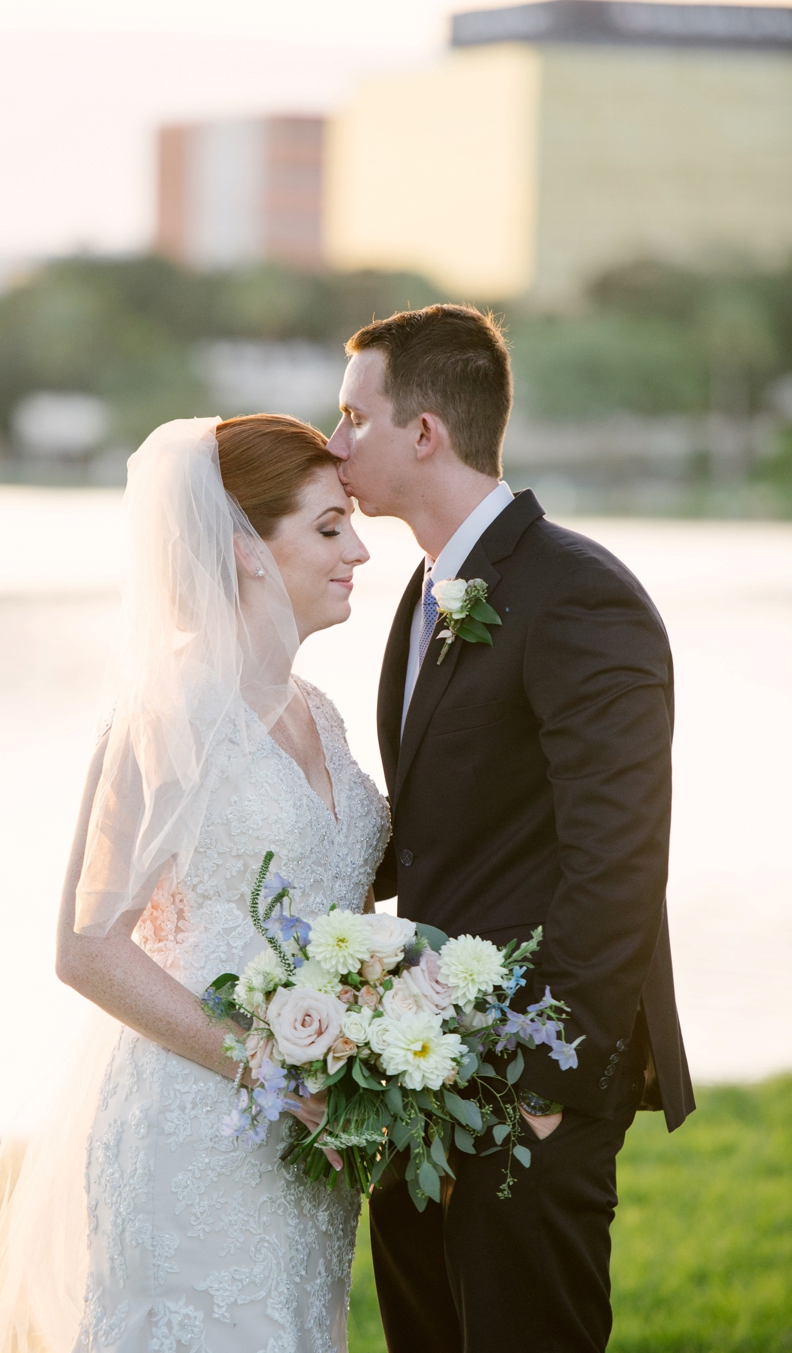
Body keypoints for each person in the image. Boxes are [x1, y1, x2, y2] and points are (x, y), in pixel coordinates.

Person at [0, 414, 390, 1353]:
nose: (359, 547)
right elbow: (86, 945)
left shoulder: (327, 717)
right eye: (327, 528)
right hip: (197, 1126)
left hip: (308, 1147)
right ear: (243, 549)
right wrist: (269, 1066)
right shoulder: (170, 710)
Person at [326, 304, 695, 1353]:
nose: (336, 444)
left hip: (534, 1083)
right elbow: (452, 824)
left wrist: (551, 1082)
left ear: (425, 434)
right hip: (419, 1063)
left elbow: (619, 853)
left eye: (355, 417)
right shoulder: (422, 591)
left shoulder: (580, 597)